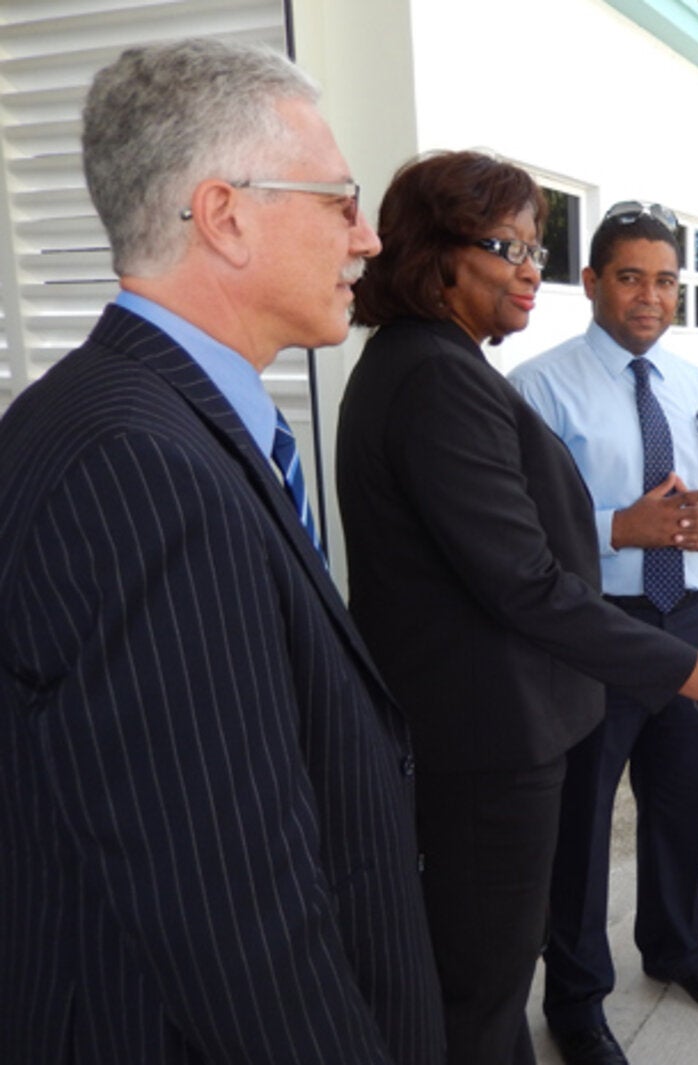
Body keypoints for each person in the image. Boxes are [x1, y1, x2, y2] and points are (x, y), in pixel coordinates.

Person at [0, 38, 445, 1064]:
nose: (368, 239)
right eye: (339, 201)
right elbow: (230, 908)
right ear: (225, 215)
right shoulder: (134, 466)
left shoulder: (124, 416)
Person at [336, 157, 698, 1065]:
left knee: (659, 824)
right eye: (505, 246)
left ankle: (677, 947)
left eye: (530, 246)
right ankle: (581, 1001)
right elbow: (527, 575)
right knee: (502, 958)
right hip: (511, 706)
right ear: (435, 256)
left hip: (647, 628)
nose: (527, 269)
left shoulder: (449, 366)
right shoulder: (458, 379)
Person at [509, 203, 698, 1065]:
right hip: (593, 629)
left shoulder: (695, 386)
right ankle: (576, 1000)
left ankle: (678, 946)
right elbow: (523, 532)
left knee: (682, 801)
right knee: (580, 821)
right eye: (630, 277)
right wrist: (624, 527)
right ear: (590, 283)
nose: (651, 297)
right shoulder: (538, 388)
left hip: (687, 619)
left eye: (665, 280)